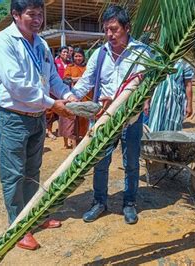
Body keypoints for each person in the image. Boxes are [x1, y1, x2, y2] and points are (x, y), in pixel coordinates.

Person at [0, 0, 76, 250]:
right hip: (14, 117)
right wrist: (52, 104)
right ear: (15, 15)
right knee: (14, 173)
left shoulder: (41, 43)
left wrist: (67, 96)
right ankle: (17, 226)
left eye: (40, 14)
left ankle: (33, 217)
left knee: (32, 170)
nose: (37, 19)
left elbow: (52, 79)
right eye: (31, 14)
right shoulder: (4, 42)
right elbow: (16, 84)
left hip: (37, 116)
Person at [71, 5, 150, 224]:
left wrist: (119, 102)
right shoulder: (100, 53)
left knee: (132, 162)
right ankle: (99, 202)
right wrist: (71, 97)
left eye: (114, 29)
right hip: (104, 119)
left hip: (131, 119)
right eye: (106, 30)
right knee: (100, 161)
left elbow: (141, 84)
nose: (109, 34)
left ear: (127, 27)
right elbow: (86, 80)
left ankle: (129, 203)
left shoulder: (141, 52)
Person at [146, 59, 194, 132]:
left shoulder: (184, 64)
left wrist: (189, 105)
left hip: (176, 103)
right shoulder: (160, 59)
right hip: (158, 101)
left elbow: (188, 86)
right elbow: (151, 82)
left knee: (173, 127)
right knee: (155, 125)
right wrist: (146, 101)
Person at [59, 47, 87, 148]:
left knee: (84, 119)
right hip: (73, 97)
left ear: (83, 57)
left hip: (86, 97)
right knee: (72, 120)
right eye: (76, 56)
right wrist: (78, 79)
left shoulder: (87, 67)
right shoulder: (70, 67)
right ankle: (72, 140)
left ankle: (84, 139)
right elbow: (66, 79)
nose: (78, 58)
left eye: (80, 56)